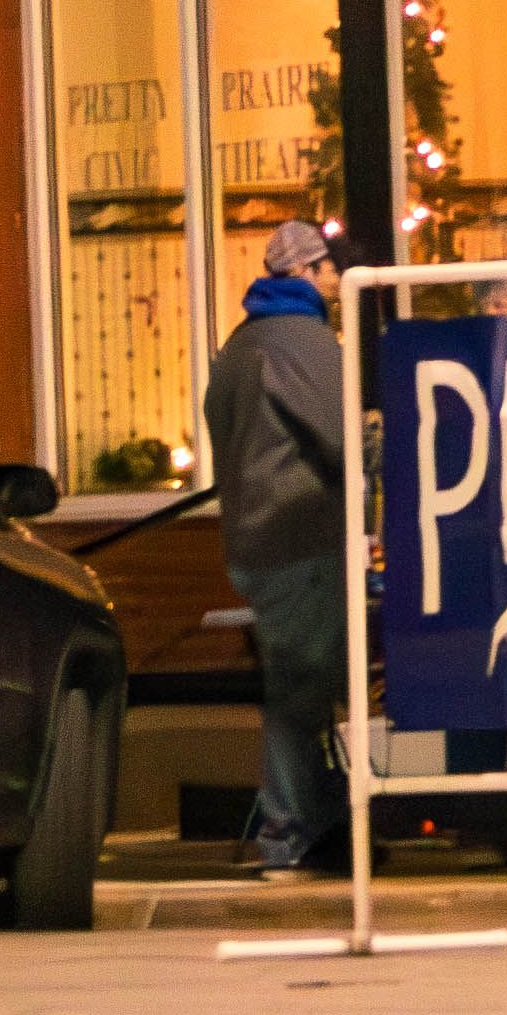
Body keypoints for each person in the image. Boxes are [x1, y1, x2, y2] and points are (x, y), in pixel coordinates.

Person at [203, 218, 352, 880]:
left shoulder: (239, 346)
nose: (337, 281)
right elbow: (344, 439)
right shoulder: (305, 341)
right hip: (303, 536)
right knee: (301, 691)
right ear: (306, 273)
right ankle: (289, 832)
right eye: (328, 269)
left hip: (252, 540)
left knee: (300, 684)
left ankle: (315, 823)